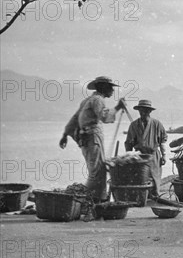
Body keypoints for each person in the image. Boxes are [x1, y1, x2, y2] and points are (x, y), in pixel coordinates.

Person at [59, 76, 125, 216]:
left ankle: (92, 202)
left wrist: (65, 134)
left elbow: (74, 119)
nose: (112, 90)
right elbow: (104, 116)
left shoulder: (87, 101)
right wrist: (118, 107)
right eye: (110, 87)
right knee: (98, 171)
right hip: (92, 138)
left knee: (95, 170)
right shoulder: (97, 100)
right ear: (102, 87)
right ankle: (91, 203)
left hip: (86, 139)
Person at [124, 100, 168, 198]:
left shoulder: (157, 124)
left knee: (155, 176)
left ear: (149, 111)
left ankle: (155, 195)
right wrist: (129, 156)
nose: (143, 113)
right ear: (139, 111)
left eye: (145, 111)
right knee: (141, 177)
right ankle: (142, 196)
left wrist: (164, 155)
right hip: (139, 156)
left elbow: (162, 141)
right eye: (141, 111)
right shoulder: (134, 125)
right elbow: (129, 143)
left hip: (154, 155)